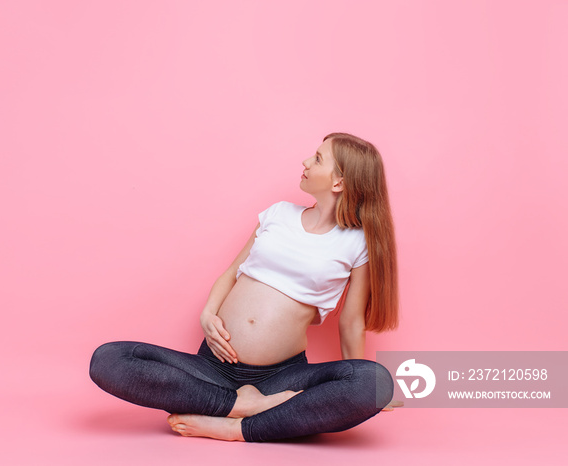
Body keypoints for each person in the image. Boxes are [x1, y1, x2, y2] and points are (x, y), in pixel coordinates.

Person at [89, 132, 401, 442]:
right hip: (213, 367)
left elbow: (351, 320)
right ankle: (241, 406)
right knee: (109, 359)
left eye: (318, 158)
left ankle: (237, 428)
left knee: (373, 381)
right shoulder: (278, 213)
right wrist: (208, 314)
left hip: (281, 377)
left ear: (339, 183)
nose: (306, 161)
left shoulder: (357, 243)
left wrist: (359, 384)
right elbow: (231, 273)